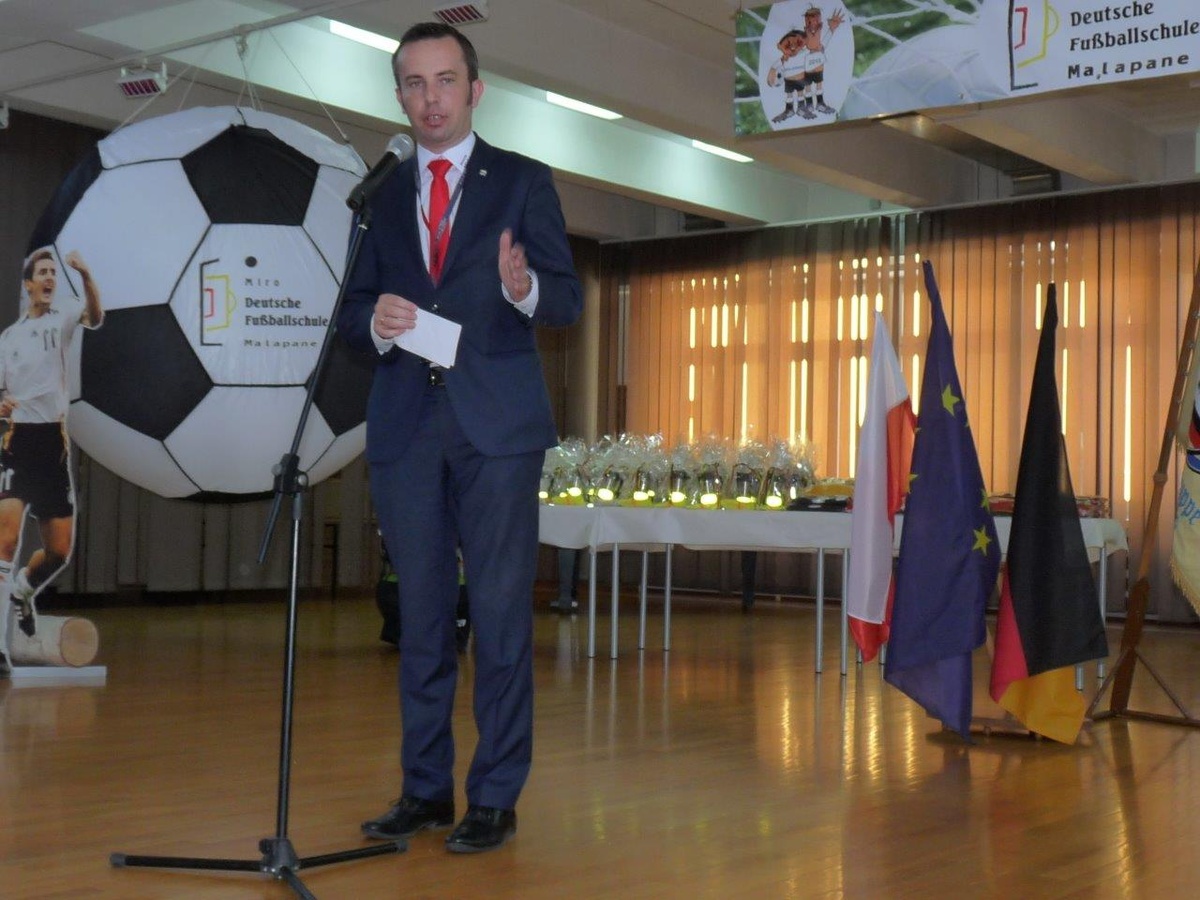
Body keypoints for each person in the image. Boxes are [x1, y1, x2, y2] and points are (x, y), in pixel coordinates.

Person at [337, 21, 582, 853]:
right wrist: (373, 320)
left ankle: (495, 797)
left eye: (445, 80)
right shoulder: (379, 197)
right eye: (414, 83)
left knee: (502, 618)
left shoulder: (522, 181)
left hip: (497, 430)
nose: (430, 98)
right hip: (407, 427)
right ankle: (424, 789)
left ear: (475, 91)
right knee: (422, 618)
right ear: (399, 96)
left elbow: (566, 300)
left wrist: (523, 288)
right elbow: (349, 312)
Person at [0, 249, 103, 676]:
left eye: (52, 274)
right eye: (41, 273)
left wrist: (86, 274)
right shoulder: (9, 339)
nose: (48, 278)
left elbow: (95, 317)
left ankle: (23, 590)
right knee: (6, 541)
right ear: (27, 284)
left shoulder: (62, 319)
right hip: (17, 441)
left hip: (52, 445)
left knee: (59, 550)